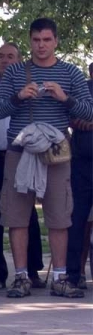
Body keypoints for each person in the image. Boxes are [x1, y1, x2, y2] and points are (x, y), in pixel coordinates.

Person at [0, 18, 93, 298]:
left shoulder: (71, 74)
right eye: (36, 40)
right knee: (17, 217)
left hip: (57, 154)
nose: (41, 45)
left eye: (46, 40)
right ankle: (22, 278)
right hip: (20, 150)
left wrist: (65, 98)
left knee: (60, 216)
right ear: (30, 41)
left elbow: (89, 112)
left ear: (56, 41)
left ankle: (61, 278)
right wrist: (18, 97)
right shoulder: (15, 72)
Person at [0, 43, 46, 291]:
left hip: (22, 153)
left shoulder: (31, 82)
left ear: (19, 59)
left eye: (10, 56)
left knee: (27, 216)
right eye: (1, 56)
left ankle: (32, 272)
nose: (5, 60)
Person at [67, 61, 93, 289]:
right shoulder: (82, 90)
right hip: (82, 164)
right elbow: (70, 118)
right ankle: (72, 275)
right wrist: (82, 123)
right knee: (76, 221)